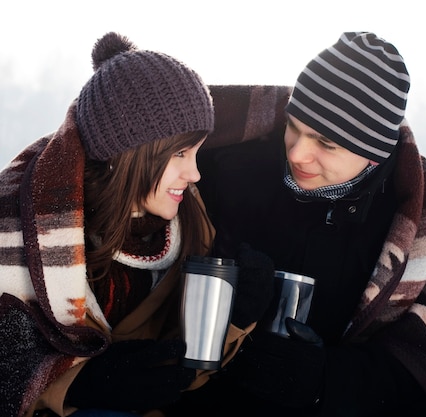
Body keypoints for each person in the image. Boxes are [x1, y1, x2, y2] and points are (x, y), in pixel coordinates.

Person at [172, 32, 426, 416]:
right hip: (217, 394)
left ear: (374, 154)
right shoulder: (226, 164)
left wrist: (324, 380)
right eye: (294, 126)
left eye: (325, 143)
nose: (297, 152)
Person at [0, 32, 273, 417]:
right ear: (128, 153)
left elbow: (180, 371)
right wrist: (78, 384)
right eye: (180, 152)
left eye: (197, 151)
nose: (195, 173)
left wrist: (235, 318)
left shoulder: (191, 222)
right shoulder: (26, 229)